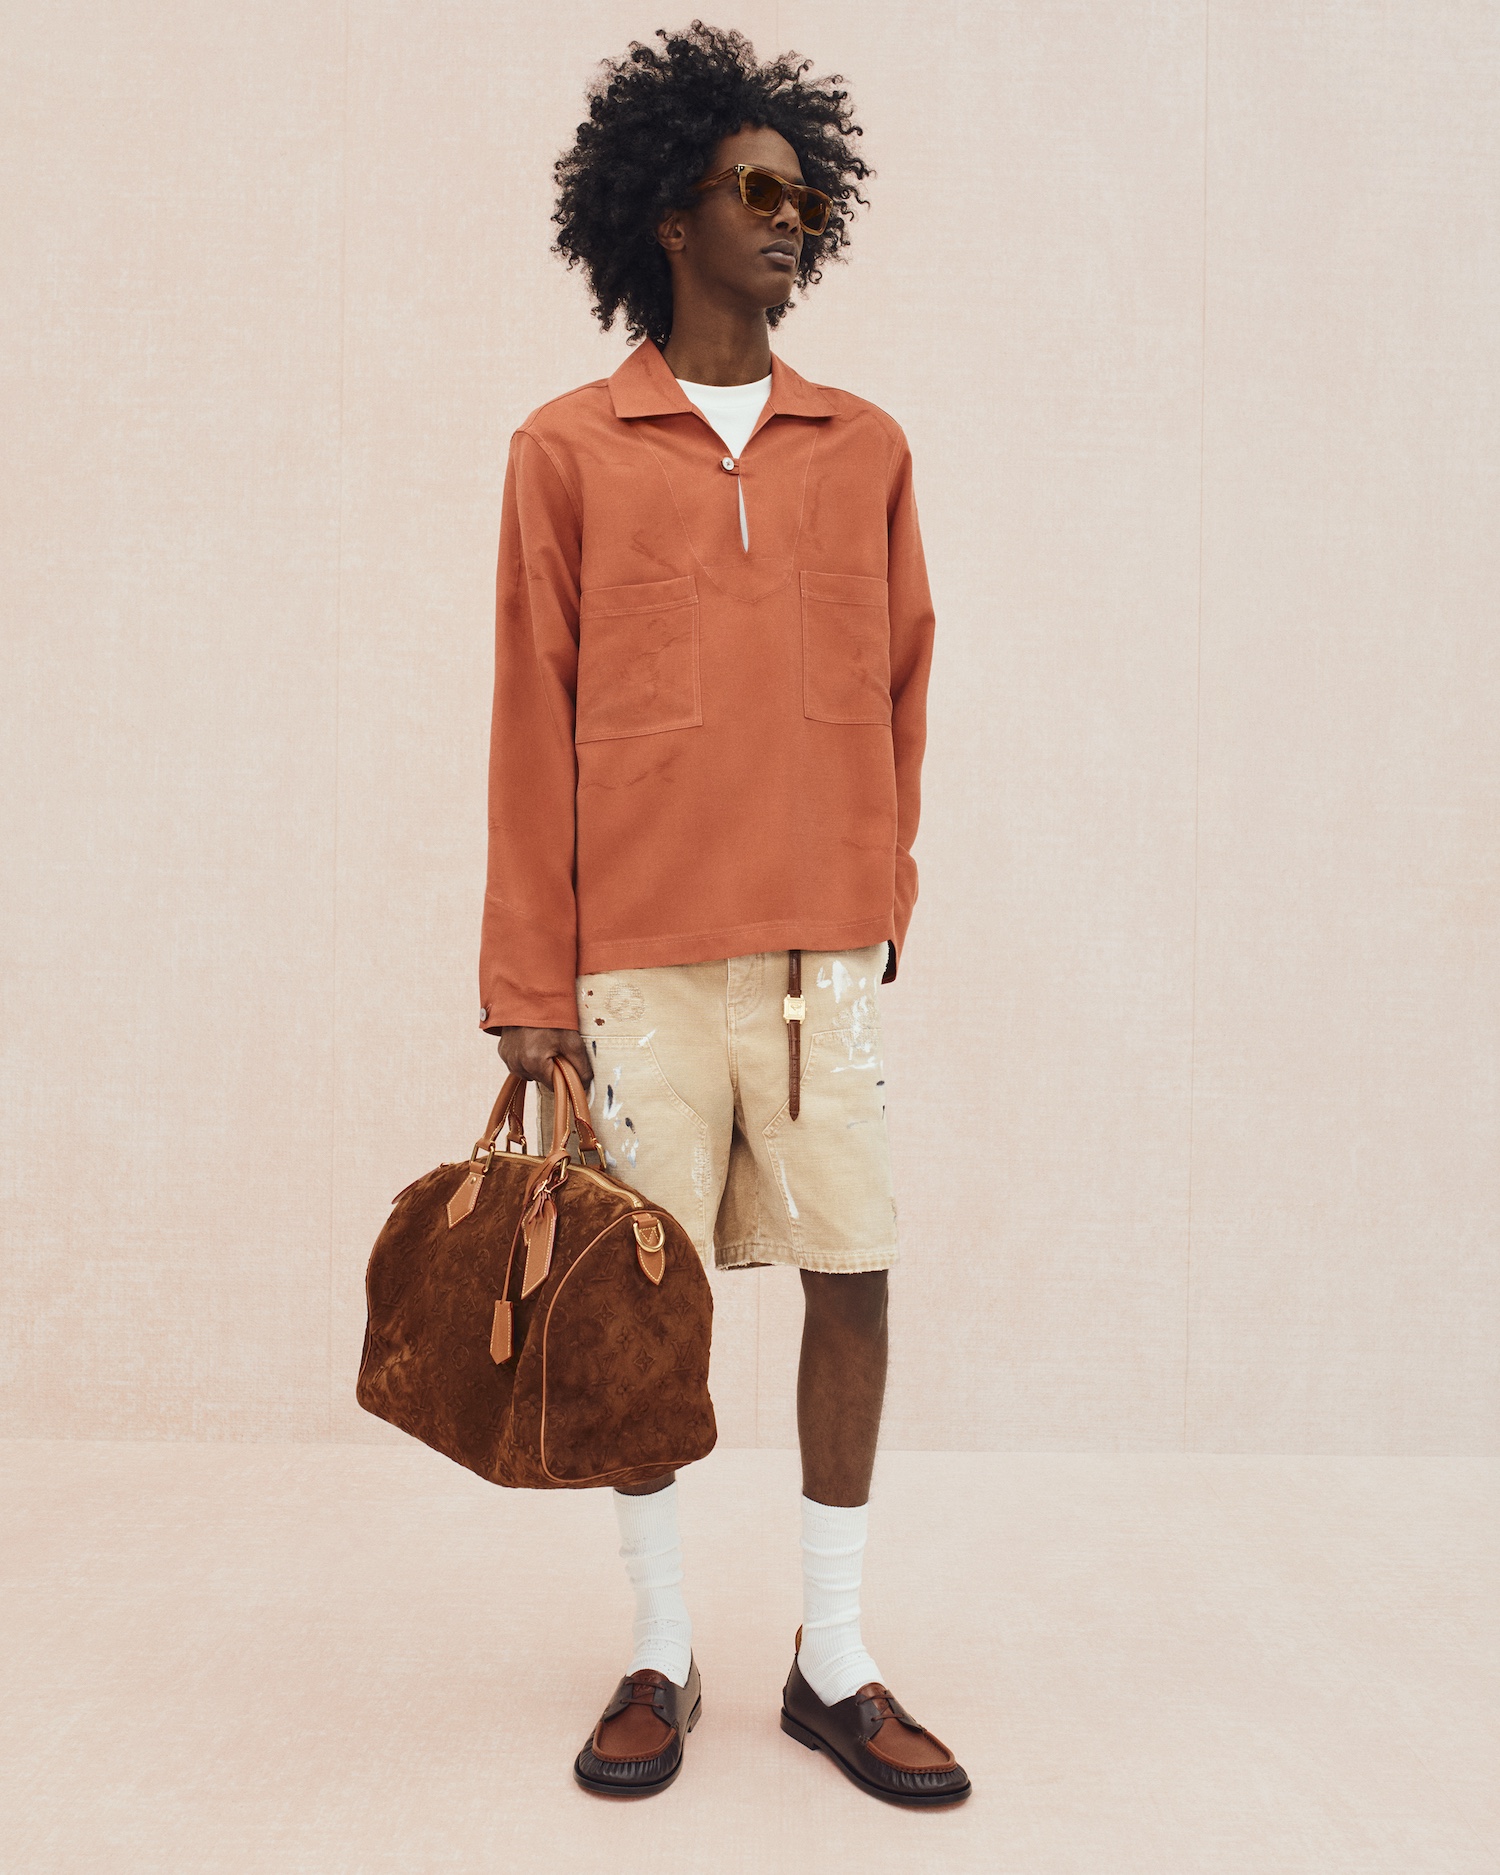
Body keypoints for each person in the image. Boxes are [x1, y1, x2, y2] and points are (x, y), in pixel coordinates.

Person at [478, 21, 968, 1807]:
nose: (787, 214)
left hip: (822, 958)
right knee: (641, 1308)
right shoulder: (567, 450)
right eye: (753, 187)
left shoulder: (866, 446)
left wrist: (879, 893)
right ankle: (660, 1649)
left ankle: (834, 1659)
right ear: (667, 217)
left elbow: (905, 686)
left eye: (801, 191)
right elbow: (530, 723)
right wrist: (529, 983)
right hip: (636, 969)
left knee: (857, 1270)